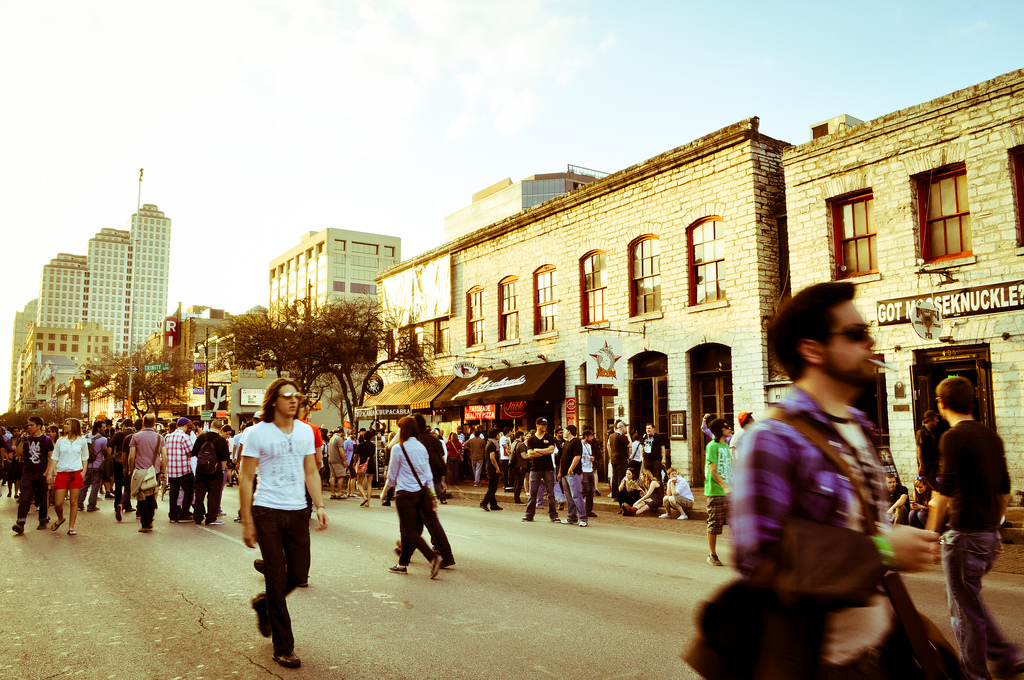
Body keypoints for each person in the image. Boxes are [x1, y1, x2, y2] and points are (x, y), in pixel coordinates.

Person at [716, 281, 935, 676]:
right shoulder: (773, 438)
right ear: (812, 349)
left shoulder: (861, 427)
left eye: (866, 332)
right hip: (819, 664)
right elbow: (757, 561)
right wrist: (883, 550)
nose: (869, 343)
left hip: (880, 652)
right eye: (854, 335)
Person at [927, 376, 1023, 680]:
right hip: (986, 536)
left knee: (963, 613)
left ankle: (976, 676)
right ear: (973, 401)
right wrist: (993, 526)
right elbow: (1004, 490)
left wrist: (930, 534)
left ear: (941, 404)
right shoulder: (991, 437)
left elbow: (945, 490)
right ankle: (1008, 656)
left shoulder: (953, 436)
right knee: (970, 600)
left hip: (964, 535)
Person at [241, 378, 328, 670]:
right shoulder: (256, 433)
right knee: (276, 578)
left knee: (300, 572)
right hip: (267, 511)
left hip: (297, 511)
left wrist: (320, 505)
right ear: (274, 400)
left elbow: (311, 471)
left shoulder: (306, 431)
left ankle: (263, 603)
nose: (293, 400)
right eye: (287, 396)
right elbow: (246, 477)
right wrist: (247, 520)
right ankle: (283, 646)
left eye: (296, 396)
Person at [381, 416, 444, 577]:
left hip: (404, 494)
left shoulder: (398, 448)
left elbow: (392, 475)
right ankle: (402, 564)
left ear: (403, 430)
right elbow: (428, 475)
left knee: (409, 531)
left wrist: (384, 492)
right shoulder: (421, 448)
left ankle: (433, 557)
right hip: (421, 493)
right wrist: (433, 496)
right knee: (414, 530)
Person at [45, 418, 89, 535]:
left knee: (74, 502)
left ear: (74, 426)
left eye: (67, 424)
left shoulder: (81, 441)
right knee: (58, 503)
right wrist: (49, 472)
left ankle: (71, 527)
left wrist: (83, 471)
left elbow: (85, 457)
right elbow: (54, 458)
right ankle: (60, 518)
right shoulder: (60, 441)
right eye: (65, 424)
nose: (65, 426)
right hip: (62, 473)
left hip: (75, 473)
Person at [12, 417, 52, 534]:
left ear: (39, 426)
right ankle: (20, 523)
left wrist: (48, 472)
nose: (29, 427)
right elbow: (18, 454)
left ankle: (42, 520)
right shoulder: (26, 440)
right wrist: (22, 441)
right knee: (25, 498)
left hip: (42, 473)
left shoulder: (46, 440)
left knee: (42, 498)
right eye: (28, 425)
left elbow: (51, 457)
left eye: (31, 425)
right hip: (28, 473)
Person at [128, 414, 166, 533]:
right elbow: (164, 456)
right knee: (151, 496)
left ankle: (145, 523)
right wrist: (163, 471)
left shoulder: (136, 437)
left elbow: (131, 455)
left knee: (142, 497)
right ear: (154, 424)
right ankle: (150, 520)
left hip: (141, 471)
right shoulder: (160, 438)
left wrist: (130, 468)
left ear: (143, 423)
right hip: (153, 471)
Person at [704, 417, 733, 566]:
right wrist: (724, 486)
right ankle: (712, 554)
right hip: (716, 491)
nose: (730, 429)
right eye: (727, 426)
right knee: (714, 524)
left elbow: (729, 469)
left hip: (729, 491)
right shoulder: (712, 446)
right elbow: (713, 471)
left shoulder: (727, 447)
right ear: (721, 429)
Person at [192, 418, 229, 525]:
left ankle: (198, 516)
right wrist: (222, 470)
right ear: (220, 428)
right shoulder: (221, 441)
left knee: (199, 494)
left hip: (200, 471)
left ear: (211, 426)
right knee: (214, 495)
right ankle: (211, 518)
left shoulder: (201, 437)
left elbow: (194, 453)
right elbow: (224, 459)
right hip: (215, 472)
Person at [522, 417, 559, 523]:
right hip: (535, 468)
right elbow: (530, 453)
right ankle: (529, 515)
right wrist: (544, 451)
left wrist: (537, 450)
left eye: (546, 424)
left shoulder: (550, 437)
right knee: (532, 493)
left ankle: (553, 515)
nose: (545, 426)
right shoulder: (531, 439)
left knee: (551, 493)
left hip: (548, 468)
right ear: (537, 425)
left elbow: (551, 450)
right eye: (543, 424)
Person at [163, 418, 195, 523]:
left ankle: (172, 515)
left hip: (172, 470)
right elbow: (191, 452)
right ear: (185, 426)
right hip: (183, 469)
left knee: (173, 493)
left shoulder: (169, 437)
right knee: (189, 490)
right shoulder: (185, 437)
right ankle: (184, 512)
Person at [557, 425, 586, 526]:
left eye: (564, 430)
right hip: (565, 474)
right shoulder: (566, 443)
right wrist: (560, 472)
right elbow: (562, 459)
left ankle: (583, 518)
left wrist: (571, 468)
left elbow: (577, 456)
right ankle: (572, 517)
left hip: (573, 473)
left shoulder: (576, 442)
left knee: (576, 496)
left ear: (569, 431)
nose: (563, 432)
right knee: (569, 497)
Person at [82, 421, 109, 511]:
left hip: (86, 465)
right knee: (95, 485)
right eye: (103, 427)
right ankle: (91, 505)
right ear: (98, 428)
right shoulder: (103, 439)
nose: (105, 429)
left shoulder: (85, 437)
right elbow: (104, 451)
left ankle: (79, 504)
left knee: (84, 485)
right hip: (98, 464)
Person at [915, 409, 942, 489]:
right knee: (928, 485)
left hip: (933, 463)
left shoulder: (932, 431)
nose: (937, 420)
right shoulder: (921, 432)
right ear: (931, 419)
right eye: (936, 418)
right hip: (927, 465)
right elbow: (918, 448)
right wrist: (921, 465)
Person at [481, 428, 503, 511]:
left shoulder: (491, 443)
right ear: (495, 435)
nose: (499, 436)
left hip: (490, 468)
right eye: (498, 434)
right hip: (492, 469)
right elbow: (492, 458)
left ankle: (494, 504)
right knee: (493, 487)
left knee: (492, 486)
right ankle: (484, 502)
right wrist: (497, 468)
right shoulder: (492, 444)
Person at [607, 420, 629, 496]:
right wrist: (628, 435)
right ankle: (620, 494)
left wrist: (611, 456)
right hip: (621, 460)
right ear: (622, 428)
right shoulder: (621, 436)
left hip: (613, 459)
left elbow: (609, 447)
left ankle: (614, 494)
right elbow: (629, 445)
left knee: (615, 477)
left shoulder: (611, 436)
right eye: (625, 427)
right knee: (621, 477)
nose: (626, 429)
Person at [579, 429, 597, 518]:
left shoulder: (589, 446)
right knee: (585, 489)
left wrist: (592, 459)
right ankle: (578, 506)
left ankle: (588, 510)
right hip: (583, 470)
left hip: (589, 469)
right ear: (585, 437)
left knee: (591, 491)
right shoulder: (580, 445)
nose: (592, 438)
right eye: (590, 436)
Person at [354, 432, 375, 507]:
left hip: (362, 465)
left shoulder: (360, 445)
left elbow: (356, 454)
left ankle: (364, 497)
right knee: (369, 484)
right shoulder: (373, 445)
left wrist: (355, 463)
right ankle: (368, 502)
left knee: (359, 483)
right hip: (371, 465)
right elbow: (373, 455)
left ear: (363, 436)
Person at [327, 429, 348, 500]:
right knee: (341, 476)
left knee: (332, 476)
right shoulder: (339, 439)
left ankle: (332, 493)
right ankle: (339, 493)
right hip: (337, 460)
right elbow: (341, 450)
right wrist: (344, 460)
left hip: (330, 459)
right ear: (341, 433)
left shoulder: (332, 438)